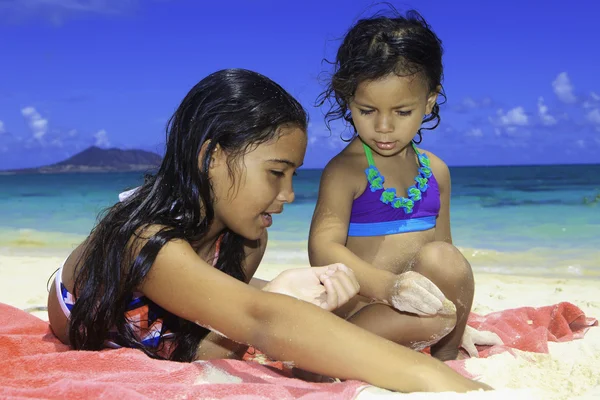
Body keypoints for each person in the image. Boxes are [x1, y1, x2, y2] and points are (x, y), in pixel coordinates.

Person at [47, 68, 490, 393]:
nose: (289, 195)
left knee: (436, 316)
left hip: (193, 300)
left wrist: (451, 328)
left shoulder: (246, 241)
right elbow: (261, 321)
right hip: (111, 299)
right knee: (277, 317)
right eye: (276, 173)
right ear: (212, 157)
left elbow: (219, 343)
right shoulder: (145, 240)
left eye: (294, 175)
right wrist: (445, 385)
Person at [309, 8, 502, 361]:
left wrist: (462, 325)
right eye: (367, 111)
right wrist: (389, 288)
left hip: (415, 315)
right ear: (347, 100)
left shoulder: (436, 171)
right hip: (359, 313)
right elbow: (322, 250)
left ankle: (447, 354)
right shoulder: (346, 171)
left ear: (428, 102)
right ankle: (332, 355)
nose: (384, 126)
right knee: (438, 316)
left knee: (443, 259)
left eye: (401, 112)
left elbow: (447, 259)